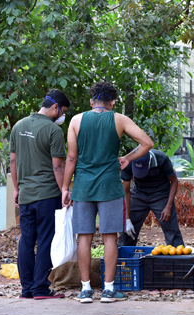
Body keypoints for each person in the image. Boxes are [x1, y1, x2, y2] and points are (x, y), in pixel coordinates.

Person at [62, 82, 154, 303]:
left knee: (83, 237)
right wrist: (127, 159)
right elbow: (147, 142)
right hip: (110, 186)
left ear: (92, 101)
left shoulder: (76, 120)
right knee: (110, 237)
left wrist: (66, 187)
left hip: (83, 186)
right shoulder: (119, 119)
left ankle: (85, 291)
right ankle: (109, 290)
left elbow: (72, 158)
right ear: (112, 102)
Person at [9, 89, 70, 300]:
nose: (62, 116)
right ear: (55, 107)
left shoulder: (18, 126)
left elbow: (13, 162)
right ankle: (40, 289)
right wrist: (64, 190)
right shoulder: (53, 131)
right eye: (62, 112)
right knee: (45, 240)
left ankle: (26, 290)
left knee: (26, 240)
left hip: (25, 194)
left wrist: (16, 189)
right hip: (47, 195)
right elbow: (57, 167)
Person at [118, 149, 184, 247]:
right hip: (139, 194)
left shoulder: (161, 159)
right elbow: (126, 192)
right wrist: (127, 219)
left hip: (161, 194)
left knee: (171, 229)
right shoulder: (128, 162)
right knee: (126, 231)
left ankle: (178, 259)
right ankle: (124, 258)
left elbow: (174, 181)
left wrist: (168, 206)